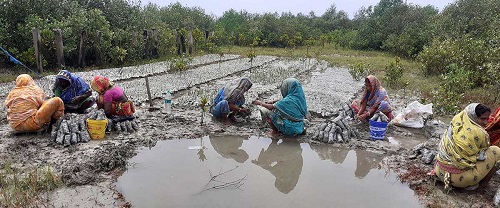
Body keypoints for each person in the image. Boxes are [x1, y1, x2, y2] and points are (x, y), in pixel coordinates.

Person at [433, 103, 500, 190]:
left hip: (440, 171)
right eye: (482, 119)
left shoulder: (455, 123)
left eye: (487, 119)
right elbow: (482, 154)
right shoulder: (479, 133)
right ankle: (482, 186)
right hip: (459, 180)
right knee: (496, 151)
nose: (486, 122)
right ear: (473, 117)